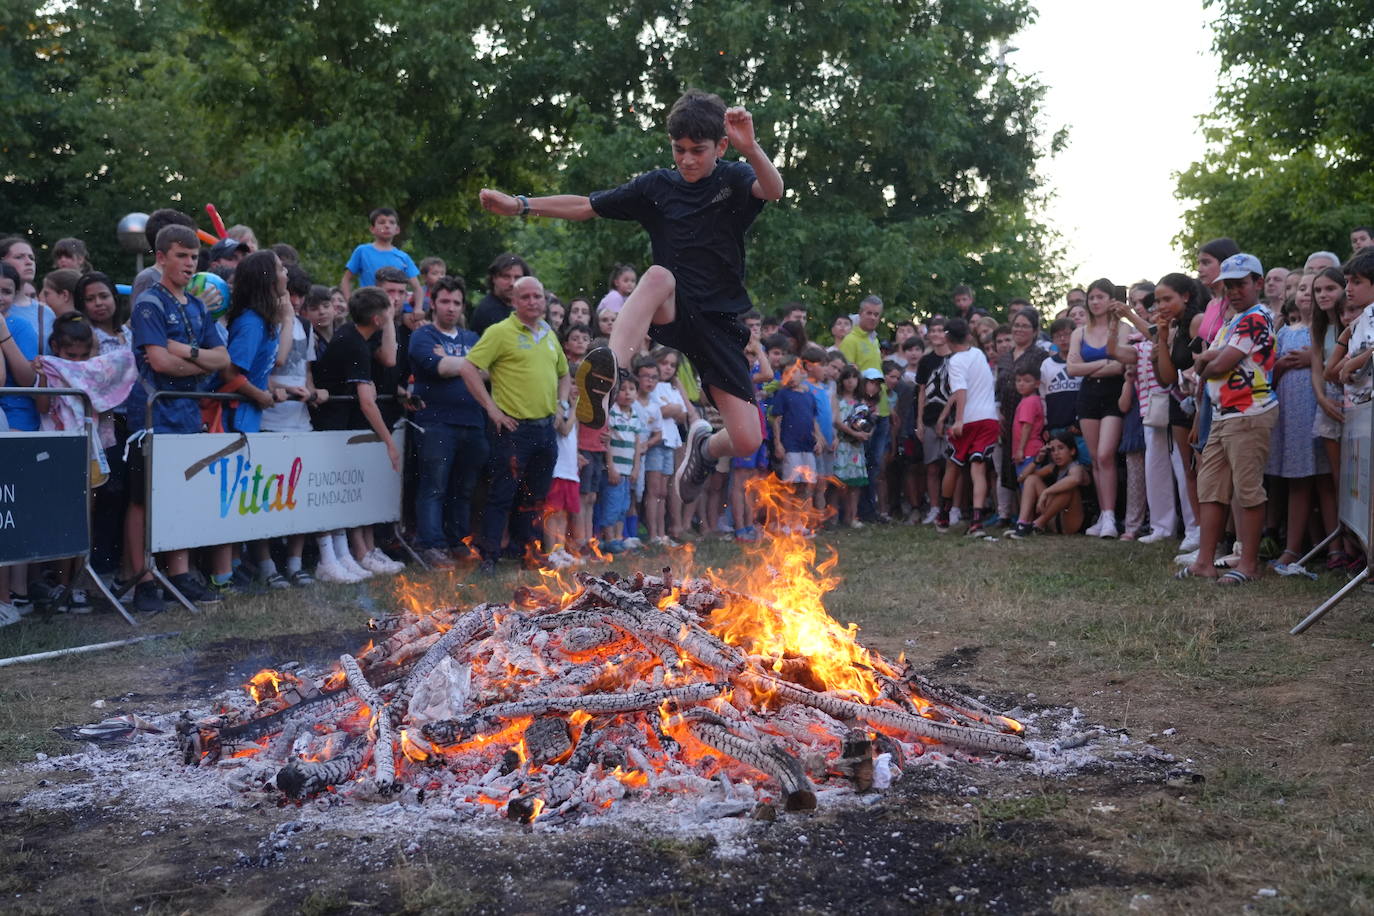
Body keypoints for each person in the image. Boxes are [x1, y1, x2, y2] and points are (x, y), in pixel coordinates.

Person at [478, 89, 782, 515]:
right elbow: (585, 205)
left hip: (719, 321)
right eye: (679, 150)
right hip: (673, 305)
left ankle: (704, 446)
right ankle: (610, 369)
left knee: (749, 438)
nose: (688, 159)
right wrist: (521, 205)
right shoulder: (657, 186)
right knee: (658, 274)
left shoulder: (732, 178)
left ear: (722, 147)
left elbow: (773, 189)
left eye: (698, 151)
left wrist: (752, 147)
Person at [126, 224, 231, 612]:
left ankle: (181, 574)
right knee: (142, 499)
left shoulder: (200, 306)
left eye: (193, 256)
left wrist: (183, 352)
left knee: (180, 494)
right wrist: (195, 359)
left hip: (188, 411)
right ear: (161, 258)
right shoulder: (149, 303)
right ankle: (144, 580)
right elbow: (158, 361)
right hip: (152, 410)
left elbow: (222, 359)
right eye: (181, 255)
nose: (190, 263)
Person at [455, 276, 571, 573]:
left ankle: (529, 553)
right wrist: (492, 409)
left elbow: (564, 374)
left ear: (545, 300)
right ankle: (488, 557)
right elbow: (469, 368)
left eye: (537, 296)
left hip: (546, 428)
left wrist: (561, 405)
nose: (533, 302)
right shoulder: (500, 332)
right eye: (526, 297)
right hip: (514, 429)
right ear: (515, 301)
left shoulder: (548, 333)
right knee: (501, 495)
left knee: (535, 496)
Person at [1177, 253, 1277, 584]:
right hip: (1222, 414)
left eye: (1240, 284)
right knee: (1211, 490)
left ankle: (1248, 564)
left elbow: (1215, 366)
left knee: (1247, 490)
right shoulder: (1232, 322)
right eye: (1228, 286)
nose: (1233, 292)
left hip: (1249, 413)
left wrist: (1207, 360)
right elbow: (1202, 366)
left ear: (1258, 284)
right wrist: (1207, 360)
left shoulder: (1255, 318)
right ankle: (1204, 562)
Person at [312, 286, 406, 580]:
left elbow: (389, 357)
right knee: (334, 492)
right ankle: (332, 558)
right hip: (331, 425)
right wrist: (390, 443)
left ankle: (353, 553)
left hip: (342, 424)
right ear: (378, 319)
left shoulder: (359, 337)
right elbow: (367, 401)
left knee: (348, 492)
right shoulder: (352, 343)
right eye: (388, 312)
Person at [407, 275, 487, 568]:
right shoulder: (423, 336)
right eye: (444, 301)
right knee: (434, 487)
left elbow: (490, 372)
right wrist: (470, 365)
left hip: (473, 421)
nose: (450, 308)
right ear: (433, 303)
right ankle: (432, 545)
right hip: (436, 422)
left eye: (456, 302)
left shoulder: (472, 338)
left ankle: (457, 543)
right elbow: (438, 368)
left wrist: (460, 364)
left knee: (464, 489)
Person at [1067, 278, 1131, 539]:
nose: (1094, 302)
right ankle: (1104, 515)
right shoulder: (1079, 332)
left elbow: (1121, 365)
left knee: (1106, 454)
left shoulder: (1122, 328)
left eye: (1100, 297)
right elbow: (1072, 368)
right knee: (1095, 457)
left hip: (1113, 392)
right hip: (1088, 395)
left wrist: (1093, 365)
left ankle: (1111, 515)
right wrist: (1104, 360)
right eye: (1091, 297)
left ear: (1110, 300)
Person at [936, 318, 998, 537]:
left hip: (970, 419)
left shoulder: (955, 361)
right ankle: (976, 522)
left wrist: (958, 419)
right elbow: (963, 389)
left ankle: (943, 515)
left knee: (953, 465)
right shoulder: (978, 355)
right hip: (989, 419)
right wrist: (945, 413)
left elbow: (961, 391)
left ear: (947, 338)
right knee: (978, 469)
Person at [1006, 434, 1090, 537]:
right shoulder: (1052, 467)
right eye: (1052, 450)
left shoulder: (1077, 467)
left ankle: (1038, 524)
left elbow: (1075, 479)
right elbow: (1021, 478)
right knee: (1032, 479)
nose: (1056, 453)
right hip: (1054, 519)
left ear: (1072, 451)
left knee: (1068, 487)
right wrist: (1037, 460)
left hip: (1072, 522)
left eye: (1061, 448)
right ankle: (1022, 523)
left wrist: (1046, 492)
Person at [769, 355, 823, 515]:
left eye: (793, 372)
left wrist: (818, 439)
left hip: (807, 445)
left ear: (802, 373)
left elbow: (813, 420)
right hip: (791, 446)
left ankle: (802, 522)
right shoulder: (783, 395)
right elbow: (777, 420)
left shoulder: (809, 396)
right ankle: (787, 522)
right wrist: (778, 444)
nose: (790, 377)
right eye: (786, 374)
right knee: (790, 484)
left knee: (807, 484)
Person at [339, 207, 423, 305]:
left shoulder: (403, 257)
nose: (387, 225)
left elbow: (417, 288)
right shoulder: (362, 251)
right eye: (382, 222)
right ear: (372, 229)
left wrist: (418, 309)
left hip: (394, 309)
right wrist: (350, 303)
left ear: (397, 230)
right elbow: (346, 279)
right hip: (367, 307)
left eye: (391, 222)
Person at [916, 316, 953, 525]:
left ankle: (953, 508)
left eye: (941, 330)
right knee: (931, 466)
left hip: (952, 418)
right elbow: (921, 391)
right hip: (929, 419)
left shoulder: (956, 358)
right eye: (934, 331)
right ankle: (935, 507)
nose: (937, 334)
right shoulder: (926, 360)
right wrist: (919, 421)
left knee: (952, 466)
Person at [470, 252, 531, 337]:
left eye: (517, 278)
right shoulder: (488, 311)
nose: (512, 283)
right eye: (506, 276)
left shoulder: (516, 308)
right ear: (494, 278)